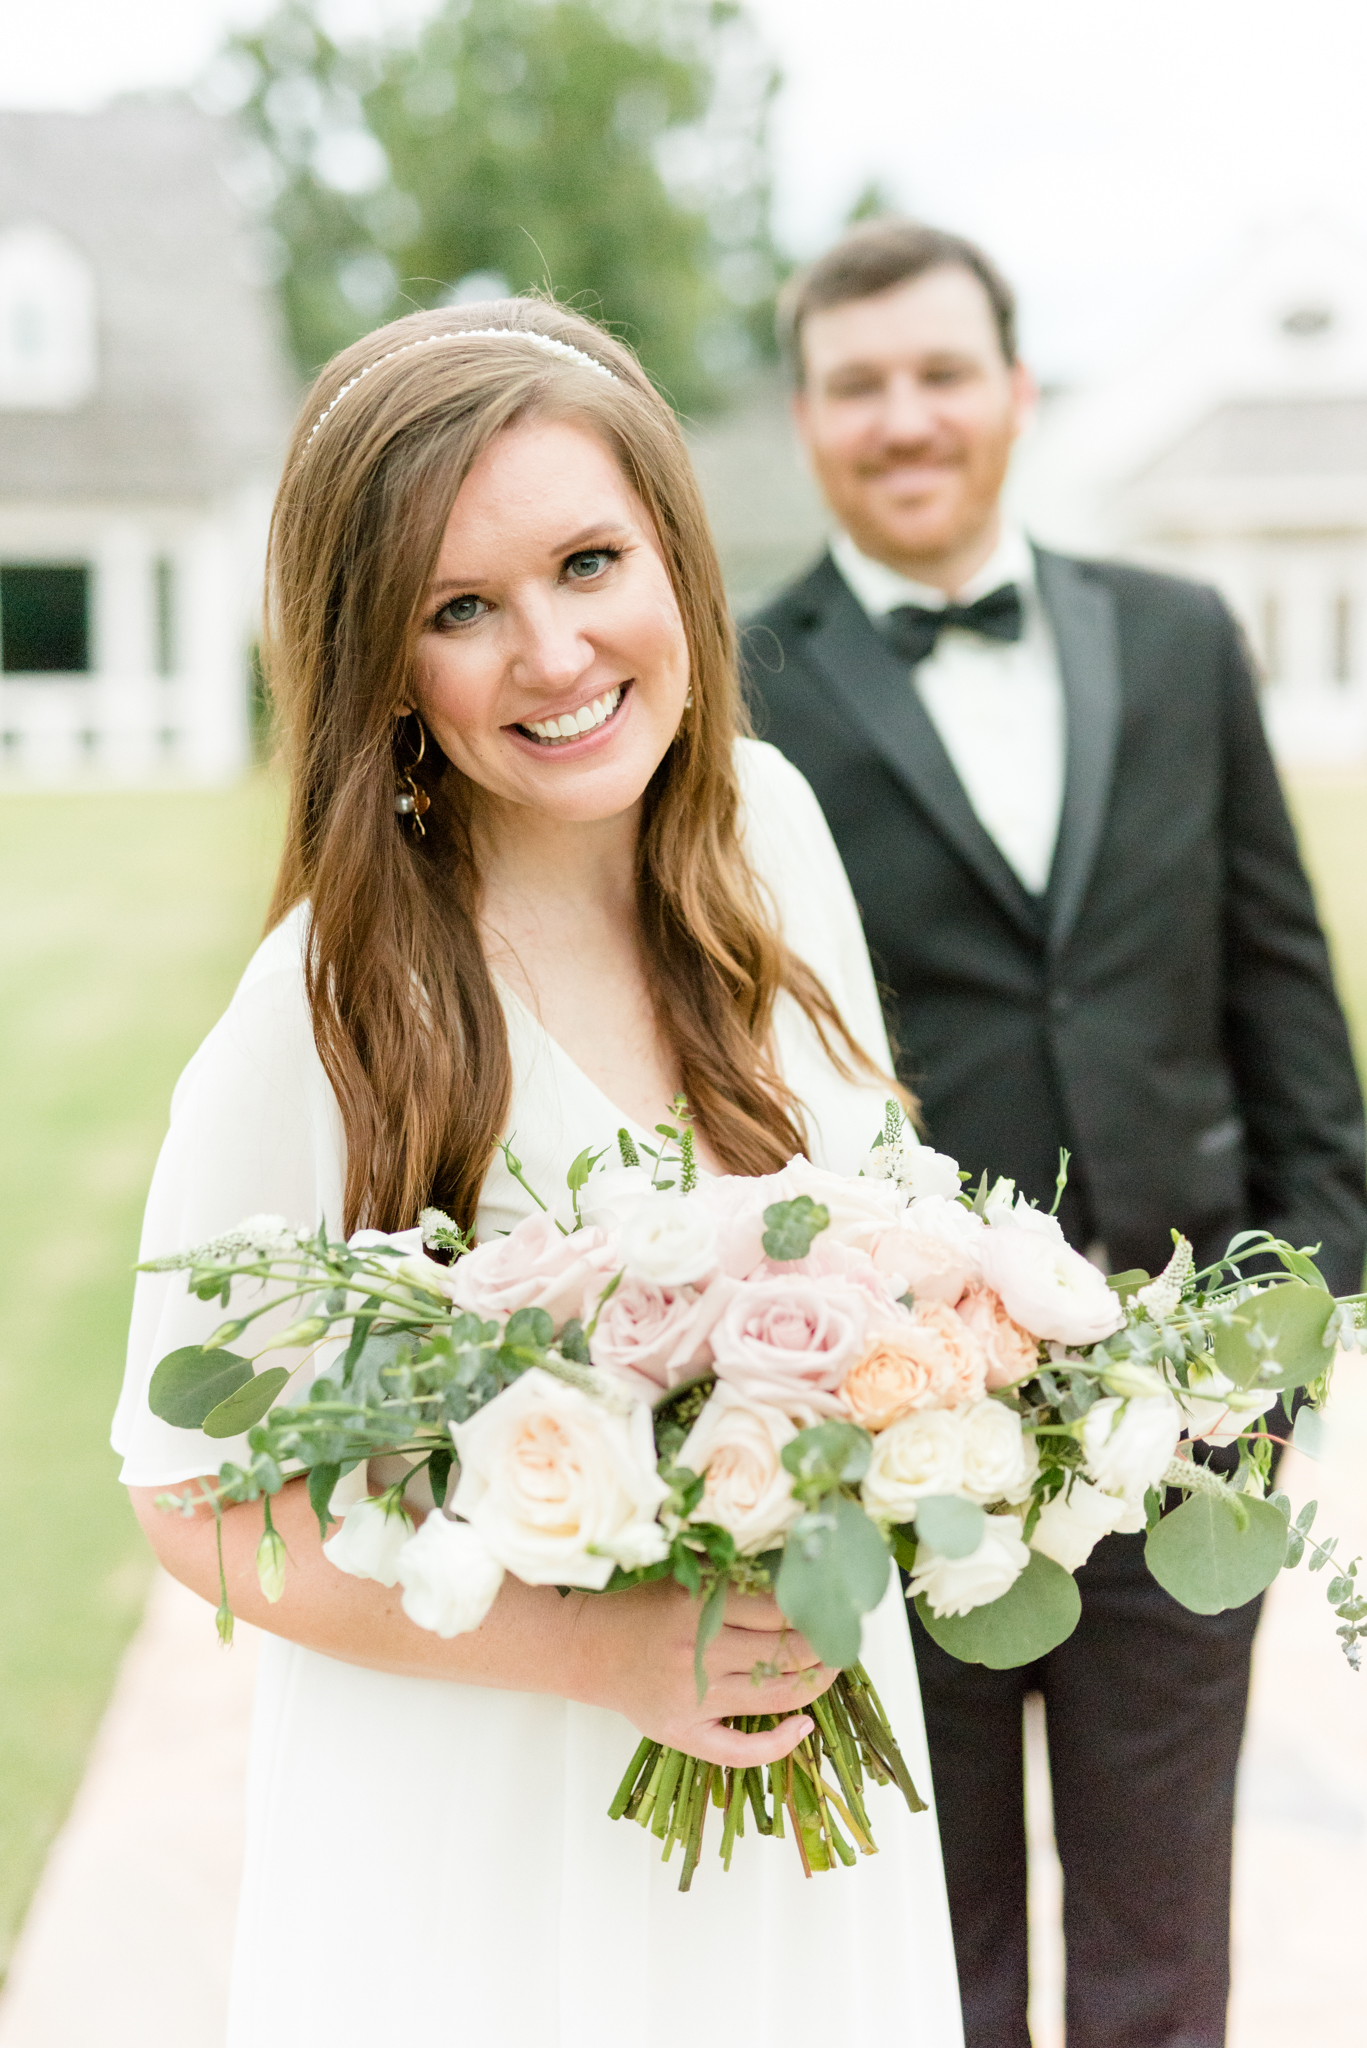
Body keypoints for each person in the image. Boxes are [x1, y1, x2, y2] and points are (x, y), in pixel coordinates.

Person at [111, 300, 964, 2047]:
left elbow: (905, 1223)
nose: (557, 653)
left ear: (676, 551)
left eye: (590, 562)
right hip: (490, 1836)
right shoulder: (339, 1000)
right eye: (461, 609)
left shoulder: (776, 831)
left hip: (811, 1799)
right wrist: (590, 1653)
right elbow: (184, 1488)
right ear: (378, 658)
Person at [742, 218, 1367, 2048]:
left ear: (1017, 392)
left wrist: (1293, 1331)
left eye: (943, 373)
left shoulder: (1175, 642)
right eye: (859, 385)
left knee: (1168, 1942)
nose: (906, 416)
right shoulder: (741, 696)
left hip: (1187, 1426)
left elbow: (1284, 999)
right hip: (889, 1433)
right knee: (934, 1958)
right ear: (805, 419)